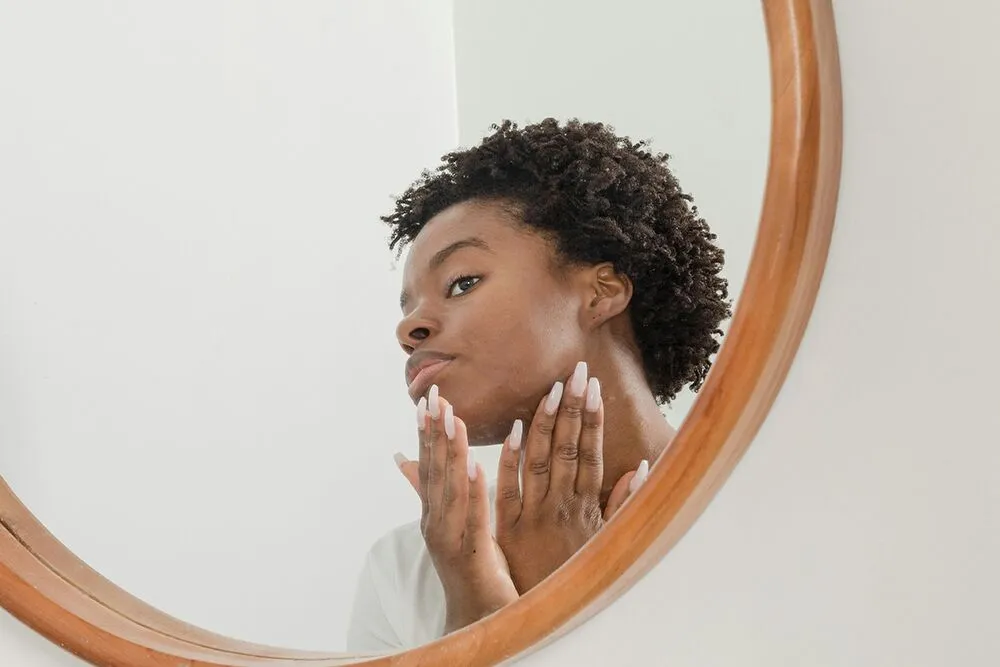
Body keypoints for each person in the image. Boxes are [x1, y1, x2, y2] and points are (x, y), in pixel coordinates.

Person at [346, 118, 731, 652]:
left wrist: (569, 601)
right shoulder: (403, 568)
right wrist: (477, 609)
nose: (408, 329)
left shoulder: (754, 501)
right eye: (407, 307)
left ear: (601, 292)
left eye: (461, 283)